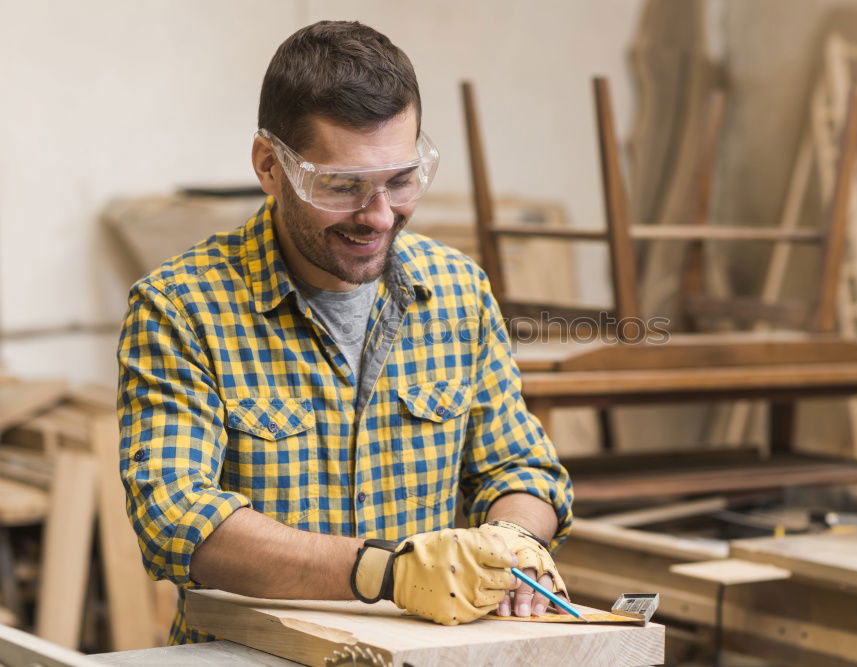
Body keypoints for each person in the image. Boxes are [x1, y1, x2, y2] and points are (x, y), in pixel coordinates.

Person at [117, 20, 573, 644]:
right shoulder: (181, 308)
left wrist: (513, 541)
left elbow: (521, 470)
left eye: (400, 180)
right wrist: (388, 573)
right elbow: (177, 519)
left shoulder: (458, 293)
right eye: (343, 186)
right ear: (269, 166)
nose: (380, 216)